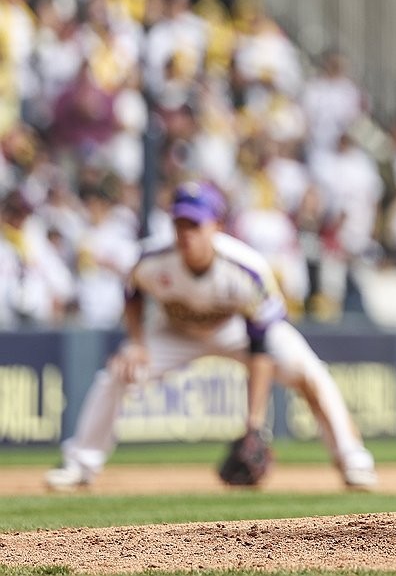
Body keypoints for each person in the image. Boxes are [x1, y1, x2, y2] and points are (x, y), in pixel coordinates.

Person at [46, 182, 377, 490]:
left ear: (216, 226)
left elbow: (259, 346)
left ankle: (352, 459)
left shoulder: (246, 268)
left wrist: (253, 424)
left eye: (195, 224)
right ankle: (81, 464)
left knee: (310, 371)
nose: (185, 233)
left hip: (235, 331)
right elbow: (133, 295)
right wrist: (136, 342)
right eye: (179, 224)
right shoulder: (152, 258)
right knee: (118, 374)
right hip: (174, 332)